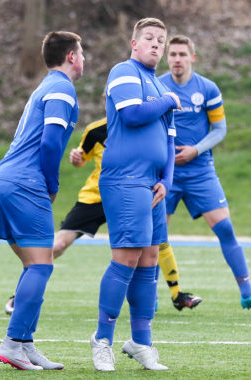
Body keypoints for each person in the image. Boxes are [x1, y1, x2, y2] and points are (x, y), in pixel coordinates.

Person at [0, 31, 84, 371]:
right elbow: (50, 144)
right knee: (42, 266)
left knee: (34, 266)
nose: (83, 58)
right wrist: (51, 183)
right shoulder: (61, 88)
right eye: (81, 52)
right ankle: (12, 343)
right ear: (72, 56)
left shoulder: (45, 87)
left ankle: (25, 344)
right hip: (23, 183)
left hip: (1, 180)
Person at [158, 35, 251, 313]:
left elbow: (220, 130)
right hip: (166, 172)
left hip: (200, 171)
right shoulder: (158, 86)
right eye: (172, 54)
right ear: (167, 58)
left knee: (225, 228)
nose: (177, 59)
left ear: (192, 58)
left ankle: (248, 293)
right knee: (155, 236)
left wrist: (195, 150)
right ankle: (147, 298)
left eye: (182, 54)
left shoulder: (207, 88)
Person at [90, 18, 180, 372]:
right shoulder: (123, 72)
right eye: (150, 38)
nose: (156, 44)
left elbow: (171, 141)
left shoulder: (159, 86)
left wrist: (167, 180)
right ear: (134, 43)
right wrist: (170, 99)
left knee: (150, 260)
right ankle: (101, 340)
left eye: (161, 39)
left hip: (153, 185)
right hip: (124, 179)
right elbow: (131, 115)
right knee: (126, 258)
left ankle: (141, 342)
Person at [4, 117, 109, 315]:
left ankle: (163, 295)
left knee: (144, 248)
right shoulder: (95, 130)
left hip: (129, 196)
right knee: (57, 245)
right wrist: (77, 159)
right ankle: (22, 294)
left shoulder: (140, 124)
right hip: (94, 198)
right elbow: (82, 158)